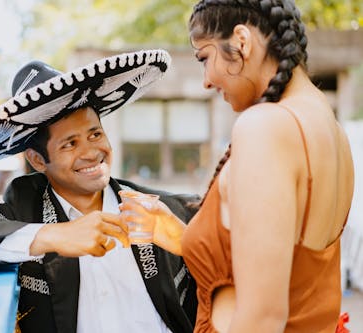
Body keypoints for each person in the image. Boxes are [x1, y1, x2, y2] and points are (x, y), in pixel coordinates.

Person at [119, 1, 354, 332]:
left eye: (204, 58)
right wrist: (185, 238)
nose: (206, 81)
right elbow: (290, 270)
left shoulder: (266, 127)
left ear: (242, 41)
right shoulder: (332, 131)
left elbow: (263, 318)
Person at [0, 50, 198, 333]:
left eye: (95, 135)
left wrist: (186, 241)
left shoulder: (162, 211)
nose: (92, 152)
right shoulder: (24, 212)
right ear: (37, 160)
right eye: (70, 144)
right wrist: (54, 235)